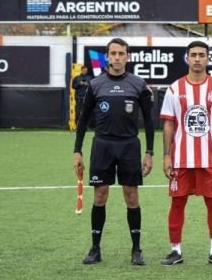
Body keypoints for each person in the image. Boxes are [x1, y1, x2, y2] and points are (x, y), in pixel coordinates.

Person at [73, 38, 155, 266]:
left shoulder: (138, 84)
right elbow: (82, 120)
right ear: (107, 56)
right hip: (102, 146)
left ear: (127, 57)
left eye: (121, 53)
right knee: (100, 196)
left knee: (131, 196)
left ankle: (137, 249)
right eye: (113, 53)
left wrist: (149, 152)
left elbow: (149, 120)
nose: (117, 57)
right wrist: (77, 150)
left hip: (129, 145)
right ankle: (95, 248)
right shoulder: (96, 84)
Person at [159, 40, 212, 267]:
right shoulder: (174, 88)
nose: (198, 59)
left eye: (202, 54)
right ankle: (175, 251)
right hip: (180, 159)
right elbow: (169, 125)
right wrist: (166, 155)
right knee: (177, 203)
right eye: (193, 55)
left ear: (208, 58)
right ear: (187, 58)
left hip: (210, 159)